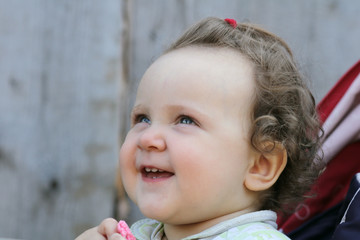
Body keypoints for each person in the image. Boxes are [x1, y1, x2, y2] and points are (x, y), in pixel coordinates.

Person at [76, 17, 323, 240]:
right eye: (143, 118)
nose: (148, 137)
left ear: (260, 165)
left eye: (185, 120)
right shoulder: (140, 233)